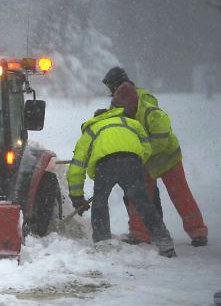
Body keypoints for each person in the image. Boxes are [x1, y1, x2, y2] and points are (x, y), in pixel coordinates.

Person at [103, 68, 208, 247]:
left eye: (111, 87)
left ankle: (198, 232)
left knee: (181, 194)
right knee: (138, 197)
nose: (111, 92)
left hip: (167, 159)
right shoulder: (116, 105)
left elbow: (161, 140)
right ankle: (140, 234)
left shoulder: (148, 107)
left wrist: (141, 154)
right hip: (142, 161)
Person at [67, 106, 176, 257]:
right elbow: (146, 147)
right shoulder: (131, 123)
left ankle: (102, 242)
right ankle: (165, 243)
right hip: (132, 162)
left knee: (100, 204)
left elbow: (77, 167)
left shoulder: (91, 130)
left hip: (105, 166)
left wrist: (77, 197)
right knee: (143, 203)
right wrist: (135, 163)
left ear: (96, 118)